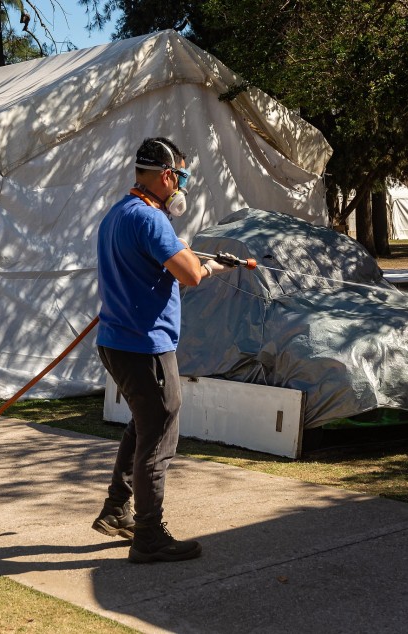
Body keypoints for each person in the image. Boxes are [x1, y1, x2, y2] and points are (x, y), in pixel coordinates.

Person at [92, 137, 231, 563]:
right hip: (145, 347)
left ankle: (117, 510)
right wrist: (210, 266)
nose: (182, 187)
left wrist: (179, 247)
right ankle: (149, 535)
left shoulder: (119, 213)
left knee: (143, 425)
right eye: (183, 177)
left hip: (117, 343)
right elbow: (189, 275)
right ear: (167, 175)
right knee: (158, 438)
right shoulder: (152, 220)